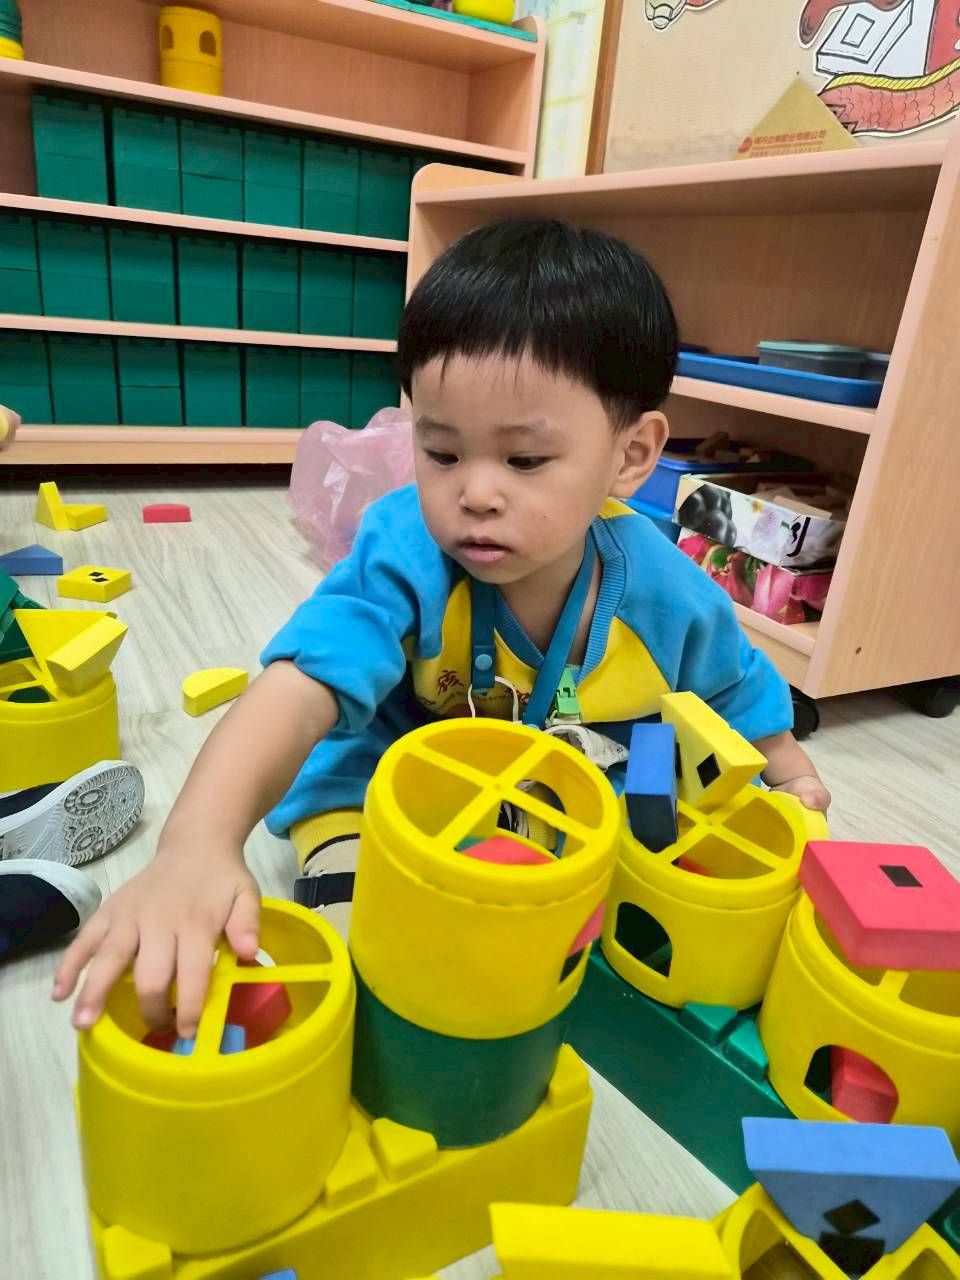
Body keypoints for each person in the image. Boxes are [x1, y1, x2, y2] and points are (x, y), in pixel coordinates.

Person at [53, 219, 829, 1039]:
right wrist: (196, 844)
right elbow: (299, 686)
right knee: (366, 952)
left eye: (524, 461)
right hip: (390, 773)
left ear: (631, 456)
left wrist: (793, 781)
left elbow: (735, 690)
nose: (476, 494)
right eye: (443, 453)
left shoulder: (668, 591)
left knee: (636, 896)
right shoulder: (404, 551)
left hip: (562, 786)